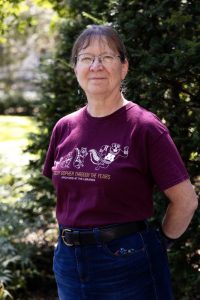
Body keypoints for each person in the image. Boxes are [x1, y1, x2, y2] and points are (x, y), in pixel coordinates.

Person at [42, 25, 198, 300]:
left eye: (107, 57)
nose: (96, 65)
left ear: (124, 67)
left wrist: (160, 243)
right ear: (75, 68)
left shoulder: (145, 127)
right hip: (68, 262)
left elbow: (186, 201)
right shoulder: (64, 127)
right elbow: (66, 197)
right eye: (87, 57)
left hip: (127, 262)